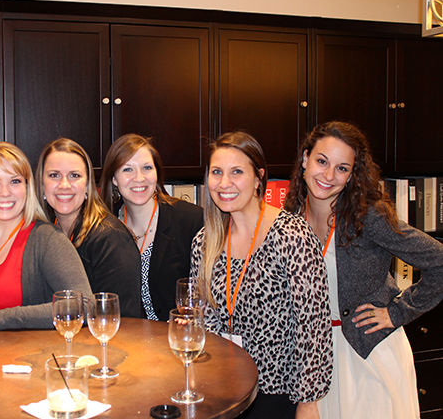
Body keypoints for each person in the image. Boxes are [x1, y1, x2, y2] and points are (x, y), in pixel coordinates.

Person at [284, 121, 443, 419]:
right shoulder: (291, 216)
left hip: (368, 354)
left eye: (342, 168)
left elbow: (440, 262)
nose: (329, 175)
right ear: (305, 159)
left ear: (353, 174)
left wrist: (397, 312)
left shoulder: (368, 216)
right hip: (316, 360)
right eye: (321, 161)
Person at [190, 131, 332, 419]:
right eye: (216, 172)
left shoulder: (292, 235)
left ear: (258, 178)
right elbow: (201, 319)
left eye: (237, 172)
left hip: (277, 394)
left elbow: (313, 327)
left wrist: (308, 403)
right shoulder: (205, 242)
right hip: (222, 389)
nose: (224, 183)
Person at [0, 141, 93, 331]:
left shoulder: (47, 240)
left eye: (15, 181)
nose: (5, 192)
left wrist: (2, 319)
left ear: (27, 187)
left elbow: (84, 306)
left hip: (14, 359)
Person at [100, 134, 204, 321]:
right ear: (114, 179)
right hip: (125, 339)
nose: (139, 178)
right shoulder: (104, 228)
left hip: (176, 339)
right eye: (127, 169)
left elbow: (208, 294)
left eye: (147, 168)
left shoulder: (191, 221)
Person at [36, 138, 142, 318]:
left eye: (74, 175)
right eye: (54, 175)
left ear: (87, 185)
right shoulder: (46, 234)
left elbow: (123, 319)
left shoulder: (110, 238)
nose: (64, 185)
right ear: (42, 183)